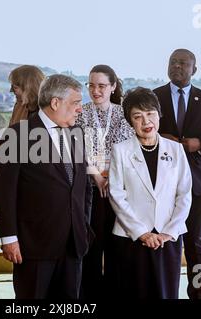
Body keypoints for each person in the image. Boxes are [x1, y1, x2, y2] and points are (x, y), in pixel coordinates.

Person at [0, 74, 93, 299]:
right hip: (34, 245)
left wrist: (84, 226)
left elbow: (83, 186)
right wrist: (8, 237)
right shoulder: (18, 135)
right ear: (55, 103)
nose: (80, 109)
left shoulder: (76, 133)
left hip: (73, 243)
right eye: (76, 103)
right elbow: (3, 190)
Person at [154, 49, 201, 299]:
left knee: (194, 242)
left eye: (183, 63)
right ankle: (164, 290)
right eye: (173, 62)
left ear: (194, 70)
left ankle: (198, 290)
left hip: (197, 184)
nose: (177, 66)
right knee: (163, 241)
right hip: (161, 184)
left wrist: (200, 144)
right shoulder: (155, 97)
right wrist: (157, 138)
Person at [108, 87, 192, 299]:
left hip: (168, 237)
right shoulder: (121, 150)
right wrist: (142, 233)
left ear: (159, 114)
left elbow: (184, 194)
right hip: (132, 238)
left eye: (150, 114)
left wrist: (169, 232)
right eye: (138, 116)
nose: (146, 122)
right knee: (134, 293)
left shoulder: (176, 149)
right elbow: (117, 195)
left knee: (167, 293)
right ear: (130, 121)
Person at [75, 65, 134, 298]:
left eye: (101, 86)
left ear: (113, 87)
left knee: (116, 246)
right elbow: (77, 149)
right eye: (91, 85)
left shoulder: (123, 113)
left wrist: (110, 179)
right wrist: (96, 176)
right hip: (88, 188)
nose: (95, 90)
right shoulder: (81, 112)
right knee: (90, 244)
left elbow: (126, 150)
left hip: (118, 189)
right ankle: (89, 296)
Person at [0, 65, 45, 164]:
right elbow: (9, 140)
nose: (11, 91)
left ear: (28, 87)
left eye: (14, 87)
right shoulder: (19, 106)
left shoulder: (50, 111)